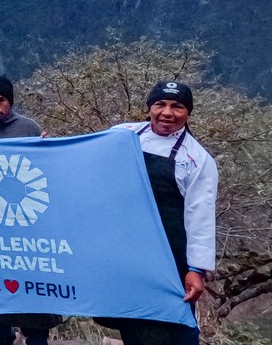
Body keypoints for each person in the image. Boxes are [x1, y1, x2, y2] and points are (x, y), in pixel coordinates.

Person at [102, 81, 219, 345]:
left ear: (188, 113)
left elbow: (200, 218)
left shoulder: (198, 160)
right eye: (160, 104)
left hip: (170, 255)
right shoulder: (123, 134)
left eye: (177, 107)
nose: (167, 113)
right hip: (128, 248)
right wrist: (46, 149)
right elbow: (85, 152)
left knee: (172, 323)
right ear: (149, 107)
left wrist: (196, 270)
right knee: (133, 320)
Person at [0, 74, 60, 345]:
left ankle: (37, 335)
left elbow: (43, 170)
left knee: (33, 276)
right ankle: (1, 332)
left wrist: (50, 150)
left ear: (10, 101)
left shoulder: (29, 128)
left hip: (28, 218)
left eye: (1, 100)